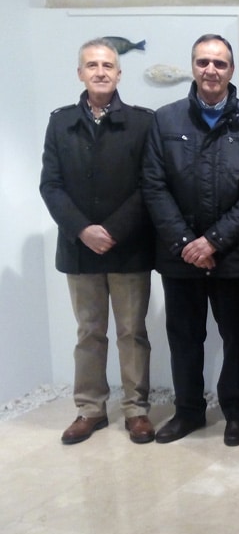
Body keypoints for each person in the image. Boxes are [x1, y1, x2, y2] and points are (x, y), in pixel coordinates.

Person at [143, 33, 239, 447]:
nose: (211, 70)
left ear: (231, 70)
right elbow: (153, 184)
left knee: (237, 337)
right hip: (179, 254)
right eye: (203, 62)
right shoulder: (165, 120)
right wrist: (187, 241)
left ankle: (237, 413)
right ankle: (188, 413)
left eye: (219, 63)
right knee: (185, 337)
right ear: (193, 67)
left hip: (235, 253)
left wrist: (213, 241)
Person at [40, 38, 156, 445]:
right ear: (80, 73)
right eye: (92, 65)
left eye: (108, 65)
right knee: (89, 332)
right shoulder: (60, 122)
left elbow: (149, 186)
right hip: (79, 249)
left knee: (131, 331)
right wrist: (83, 230)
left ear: (119, 74)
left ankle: (136, 410)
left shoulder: (143, 122)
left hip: (128, 247)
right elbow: (50, 185)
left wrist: (113, 230)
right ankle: (89, 409)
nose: (101, 71)